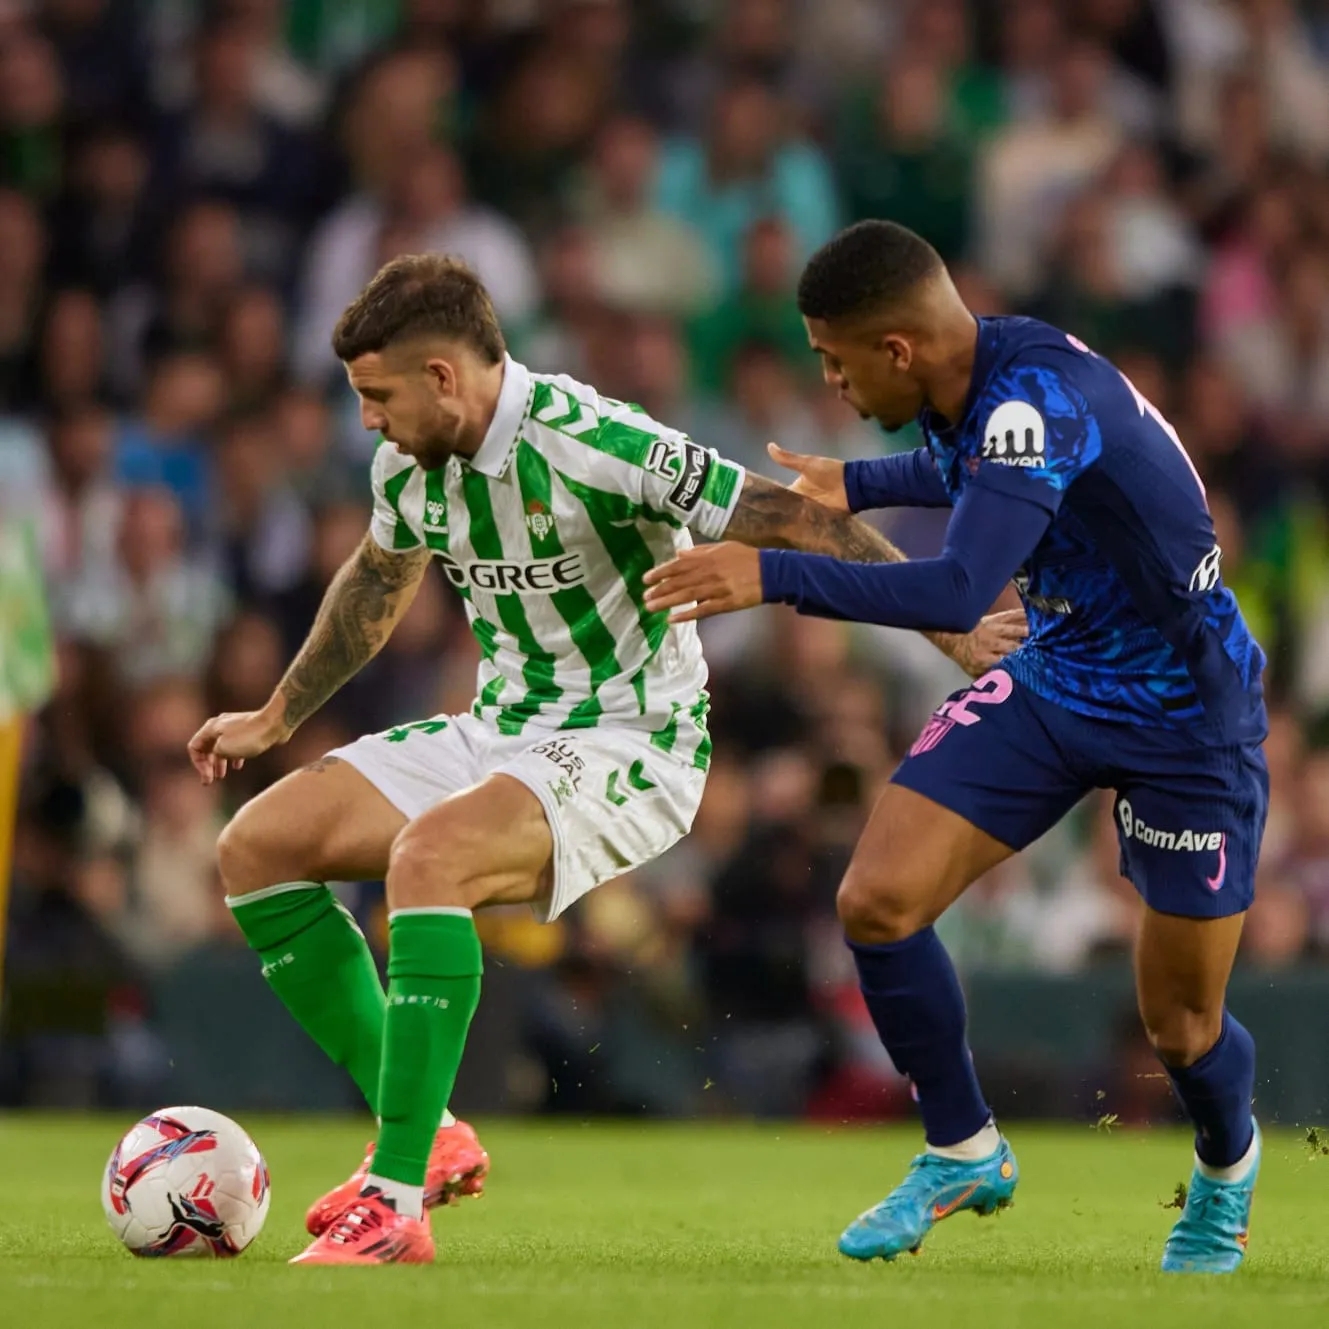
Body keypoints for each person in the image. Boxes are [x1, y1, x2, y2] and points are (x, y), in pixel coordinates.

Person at [186, 253, 1022, 1266]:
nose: (366, 420)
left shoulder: (596, 442)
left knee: (429, 860)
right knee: (257, 848)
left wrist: (957, 636)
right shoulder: (409, 463)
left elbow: (798, 517)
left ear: (444, 377)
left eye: (378, 396)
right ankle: (430, 1132)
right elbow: (377, 576)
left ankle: (395, 1200)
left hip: (633, 740)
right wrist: (277, 713)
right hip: (500, 727)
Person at [643, 220, 1268, 1275]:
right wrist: (858, 484)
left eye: (834, 360)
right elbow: (975, 466)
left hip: (1186, 717)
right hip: (1060, 671)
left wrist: (771, 574)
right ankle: (962, 1147)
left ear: (897, 348)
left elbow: (958, 590)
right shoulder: (983, 369)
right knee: (876, 902)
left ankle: (1225, 1167)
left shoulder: (1028, 403)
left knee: (1180, 1026)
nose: (829, 381)